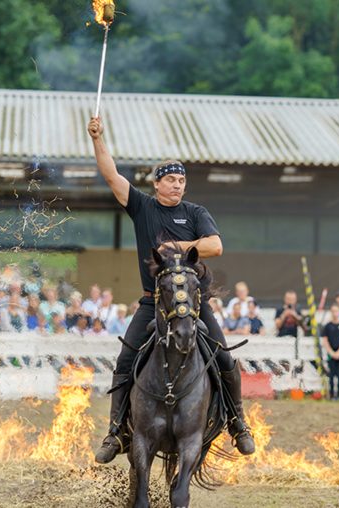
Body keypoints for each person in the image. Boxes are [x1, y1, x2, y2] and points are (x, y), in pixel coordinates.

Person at [88, 116, 254, 463]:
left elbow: (215, 246)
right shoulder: (143, 207)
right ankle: (117, 431)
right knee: (124, 362)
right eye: (171, 180)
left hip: (193, 304)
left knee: (223, 356)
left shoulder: (195, 213)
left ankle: (238, 421)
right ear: (157, 183)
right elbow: (111, 176)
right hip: (154, 303)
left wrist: (179, 245)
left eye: (181, 180)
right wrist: (98, 139)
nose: (177, 185)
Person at [322, 304, 339, 400]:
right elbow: (325, 340)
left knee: (338, 375)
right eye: (333, 311)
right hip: (331, 353)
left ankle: (338, 395)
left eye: (336, 311)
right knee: (331, 375)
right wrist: (331, 352)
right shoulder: (328, 326)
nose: (335, 313)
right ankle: (331, 395)